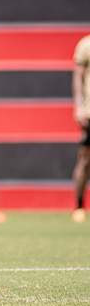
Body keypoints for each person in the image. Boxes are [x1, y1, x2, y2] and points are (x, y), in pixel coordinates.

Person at [71, 34, 90, 222]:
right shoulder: (86, 44)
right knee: (85, 159)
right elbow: (78, 76)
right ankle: (79, 205)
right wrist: (79, 107)